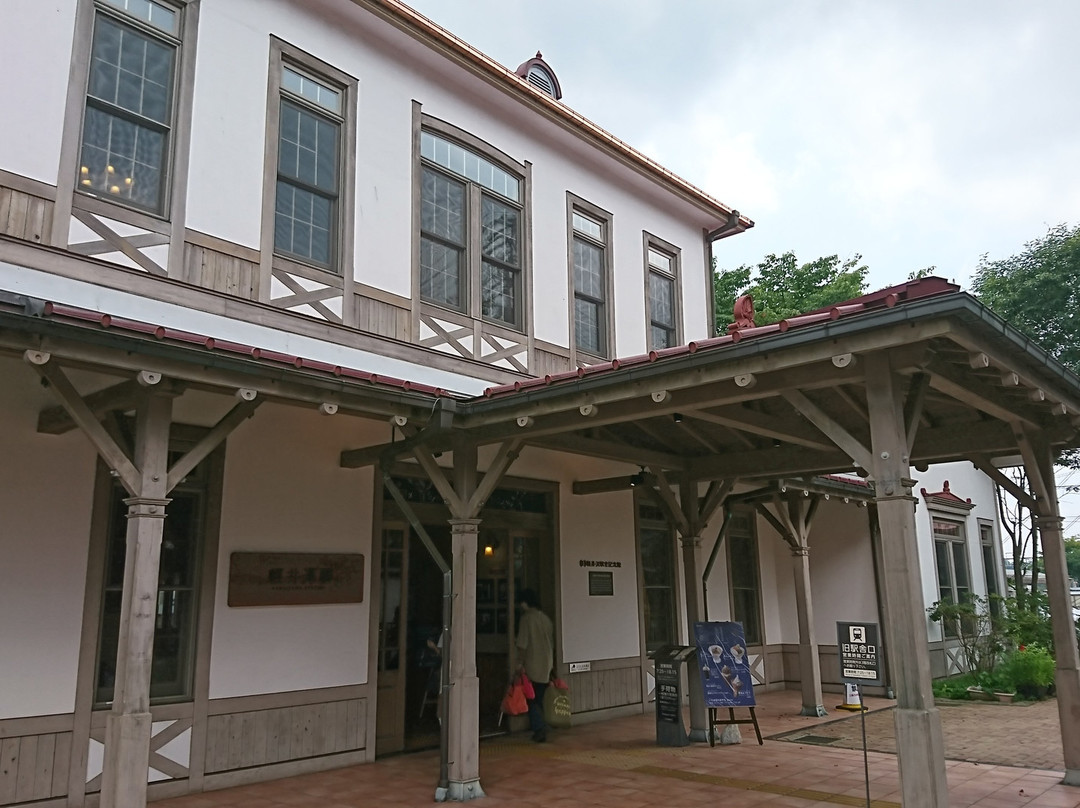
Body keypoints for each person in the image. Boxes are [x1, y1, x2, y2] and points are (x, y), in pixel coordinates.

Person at [515, 588, 554, 742]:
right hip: (546, 664)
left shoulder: (526, 619)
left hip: (532, 664)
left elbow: (522, 645)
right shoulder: (545, 619)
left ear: (525, 602)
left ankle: (539, 729)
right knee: (539, 697)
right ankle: (542, 725)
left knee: (532, 699)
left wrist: (519, 663)